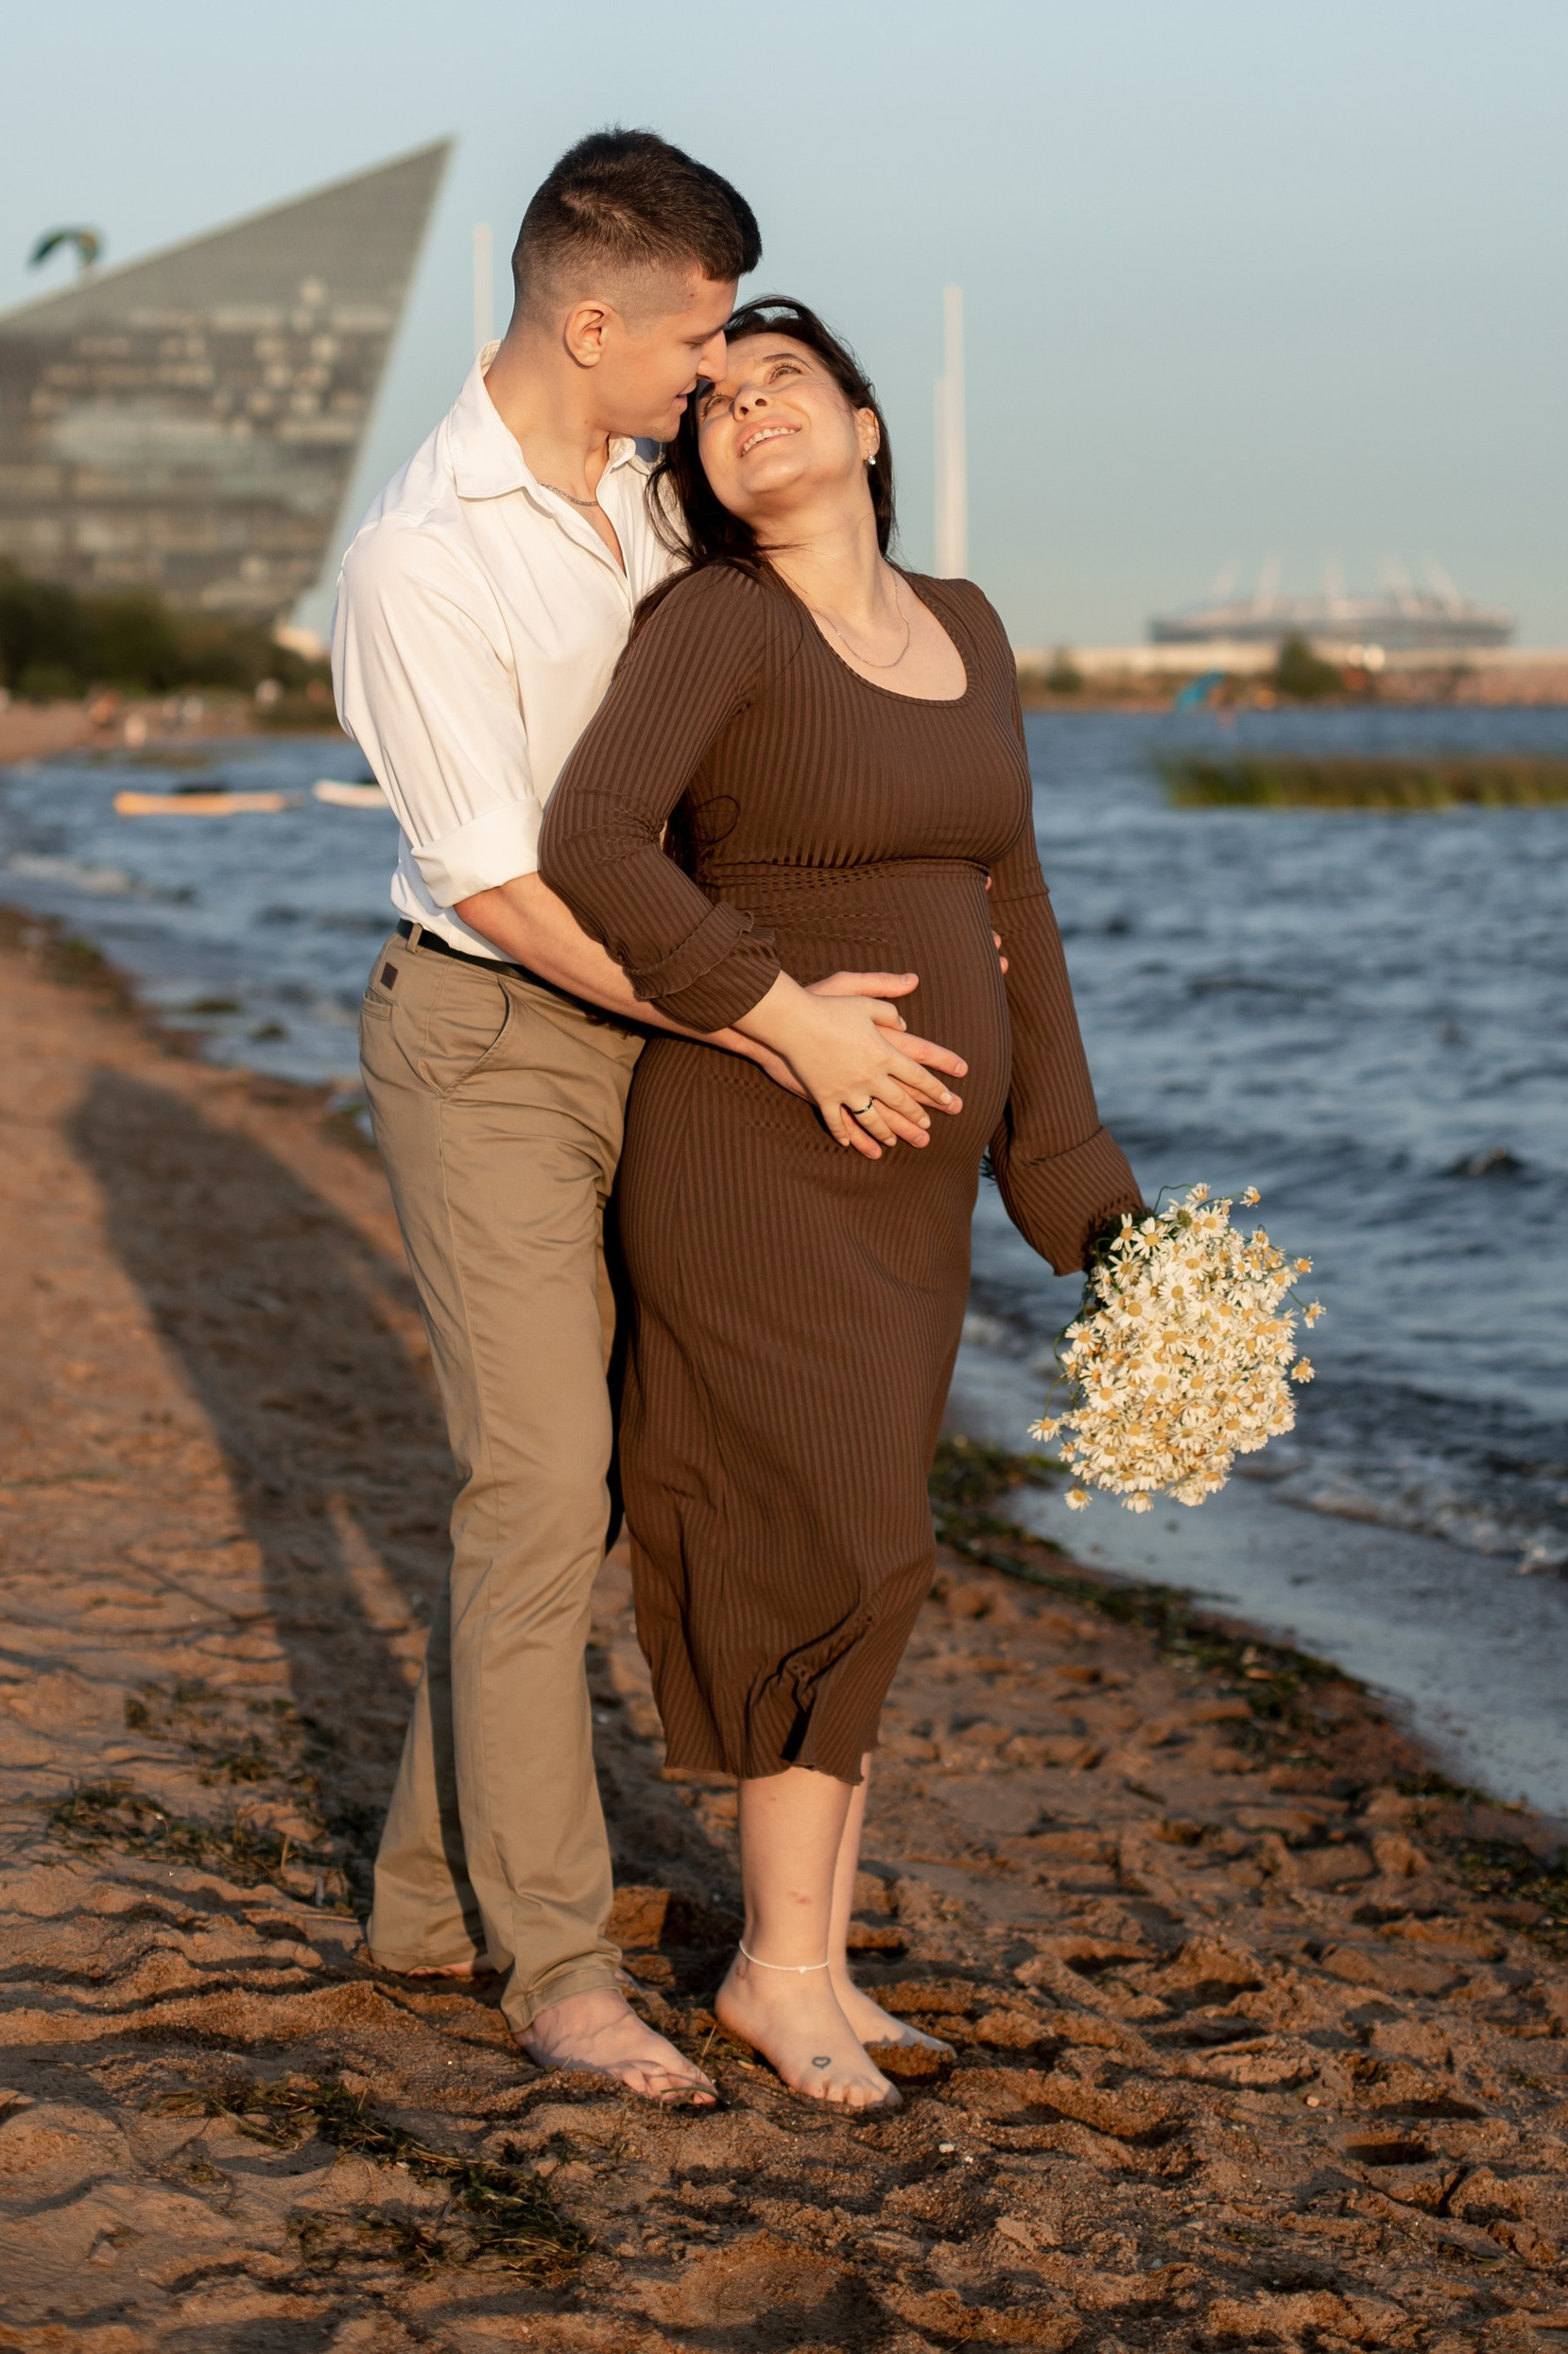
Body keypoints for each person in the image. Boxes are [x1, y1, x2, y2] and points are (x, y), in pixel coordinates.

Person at [333, 140, 962, 2103]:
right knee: (537, 1487)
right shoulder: (419, 557)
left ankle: (425, 1901)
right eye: (698, 340)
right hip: (498, 1042)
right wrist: (770, 1021)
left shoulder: (650, 500)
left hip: (671, 1045)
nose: (717, 375)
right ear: (590, 320)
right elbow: (509, 888)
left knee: (593, 1489)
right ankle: (554, 1968)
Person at [539, 300, 1145, 2115]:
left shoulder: (968, 626)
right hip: (755, 1153)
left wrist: (1081, 1187)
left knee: (874, 1541)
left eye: (783, 380)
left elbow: (1014, 904)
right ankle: (780, 1974)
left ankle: (807, 1960)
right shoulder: (721, 621)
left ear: (869, 427)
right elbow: (591, 840)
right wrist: (774, 1011)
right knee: (832, 1542)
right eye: (714, 398)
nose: (745, 409)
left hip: (912, 1189)